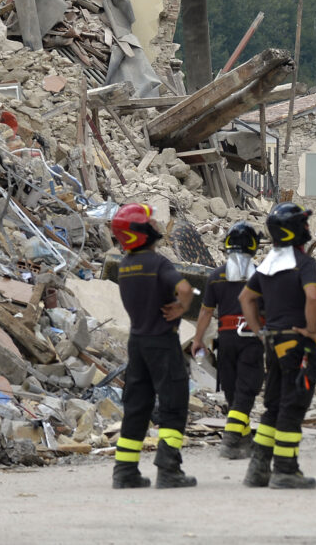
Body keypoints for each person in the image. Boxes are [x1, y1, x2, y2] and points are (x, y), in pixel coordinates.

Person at [110, 202, 196, 489]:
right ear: (140, 231)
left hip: (137, 343)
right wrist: (181, 308)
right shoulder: (158, 264)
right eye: (152, 222)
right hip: (161, 341)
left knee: (137, 406)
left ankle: (125, 471)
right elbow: (185, 289)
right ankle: (169, 469)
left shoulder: (125, 267)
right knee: (173, 403)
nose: (157, 225)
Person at [239, 203, 316, 490]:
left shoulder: (267, 266)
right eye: (303, 225)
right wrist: (311, 332)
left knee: (273, 405)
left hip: (273, 342)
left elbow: (245, 299)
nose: (307, 230)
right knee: (292, 404)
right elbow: (313, 297)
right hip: (295, 343)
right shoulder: (304, 264)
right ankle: (285, 469)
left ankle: (258, 470)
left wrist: (259, 330)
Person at [191, 221, 264, 459]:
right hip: (251, 339)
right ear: (253, 246)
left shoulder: (216, 276)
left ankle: (243, 441)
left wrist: (198, 339)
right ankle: (231, 440)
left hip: (226, 340)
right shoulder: (260, 277)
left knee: (233, 392)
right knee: (246, 391)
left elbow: (205, 312)